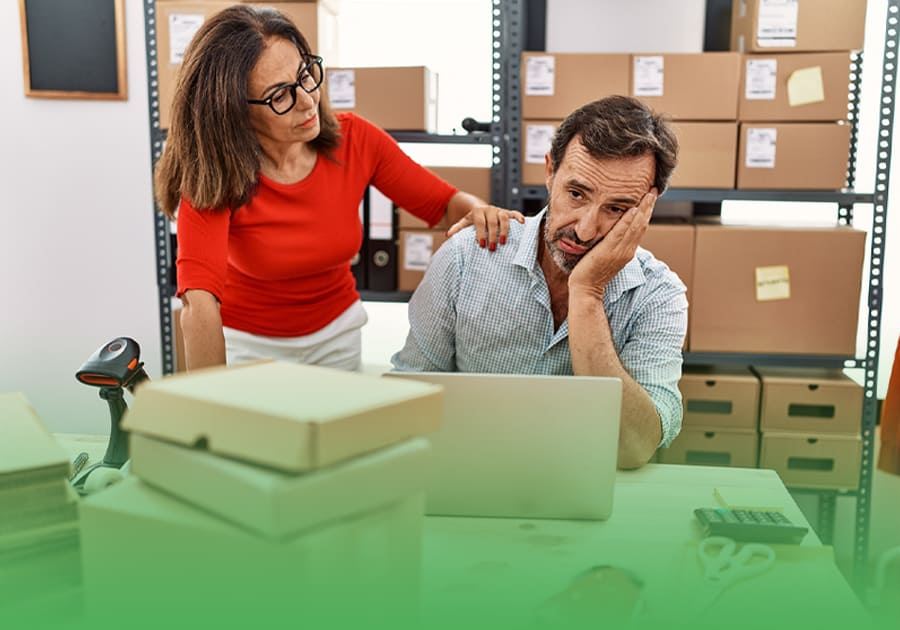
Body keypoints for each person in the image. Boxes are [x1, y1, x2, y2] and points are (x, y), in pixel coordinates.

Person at [154, 5, 523, 372]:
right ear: (233, 110)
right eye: (280, 96)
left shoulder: (355, 139)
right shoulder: (215, 175)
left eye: (305, 75)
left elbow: (447, 205)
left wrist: (480, 212)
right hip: (249, 347)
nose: (307, 100)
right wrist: (209, 405)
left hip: (337, 336)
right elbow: (199, 305)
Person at [391, 96, 686, 469]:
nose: (585, 229)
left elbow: (634, 448)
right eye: (576, 194)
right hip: (470, 476)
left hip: (589, 490)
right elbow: (409, 400)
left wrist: (588, 294)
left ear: (647, 208)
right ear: (550, 172)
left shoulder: (659, 294)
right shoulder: (467, 257)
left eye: (617, 209)